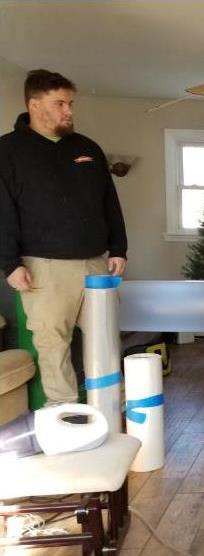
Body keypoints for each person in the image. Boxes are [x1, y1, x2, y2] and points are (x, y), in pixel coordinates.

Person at [0, 69, 127, 405]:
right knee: (53, 344)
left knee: (106, 339)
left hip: (96, 263)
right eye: (60, 104)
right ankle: (66, 417)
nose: (69, 111)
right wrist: (9, 264)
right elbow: (2, 212)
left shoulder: (87, 148)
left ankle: (111, 407)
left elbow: (108, 201)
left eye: (70, 104)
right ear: (34, 104)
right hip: (44, 266)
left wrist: (118, 248)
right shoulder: (8, 151)